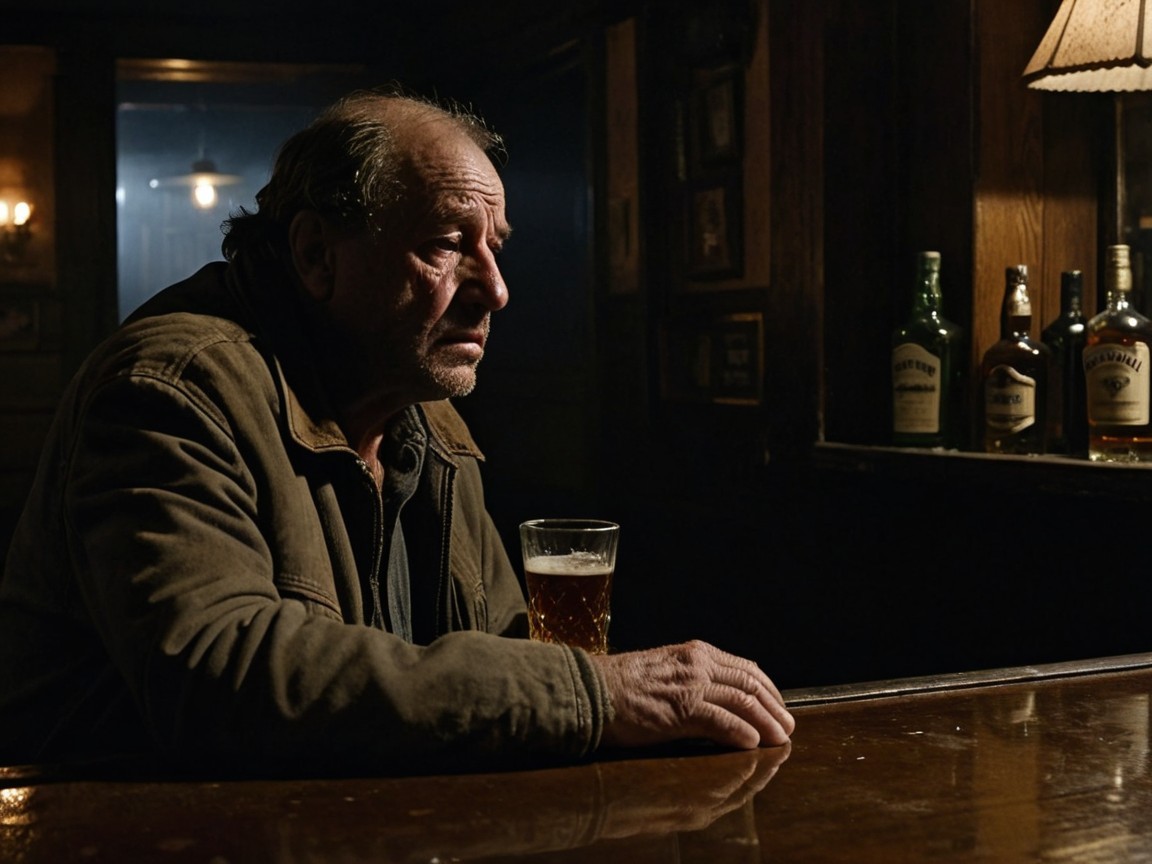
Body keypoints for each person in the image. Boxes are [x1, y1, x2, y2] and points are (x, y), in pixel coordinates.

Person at [0, 86, 793, 773]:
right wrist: (596, 694)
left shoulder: (427, 418)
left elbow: (501, 653)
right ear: (317, 254)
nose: (495, 290)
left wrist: (607, 701)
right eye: (447, 244)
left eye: (495, 248)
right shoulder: (170, 390)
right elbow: (217, 679)